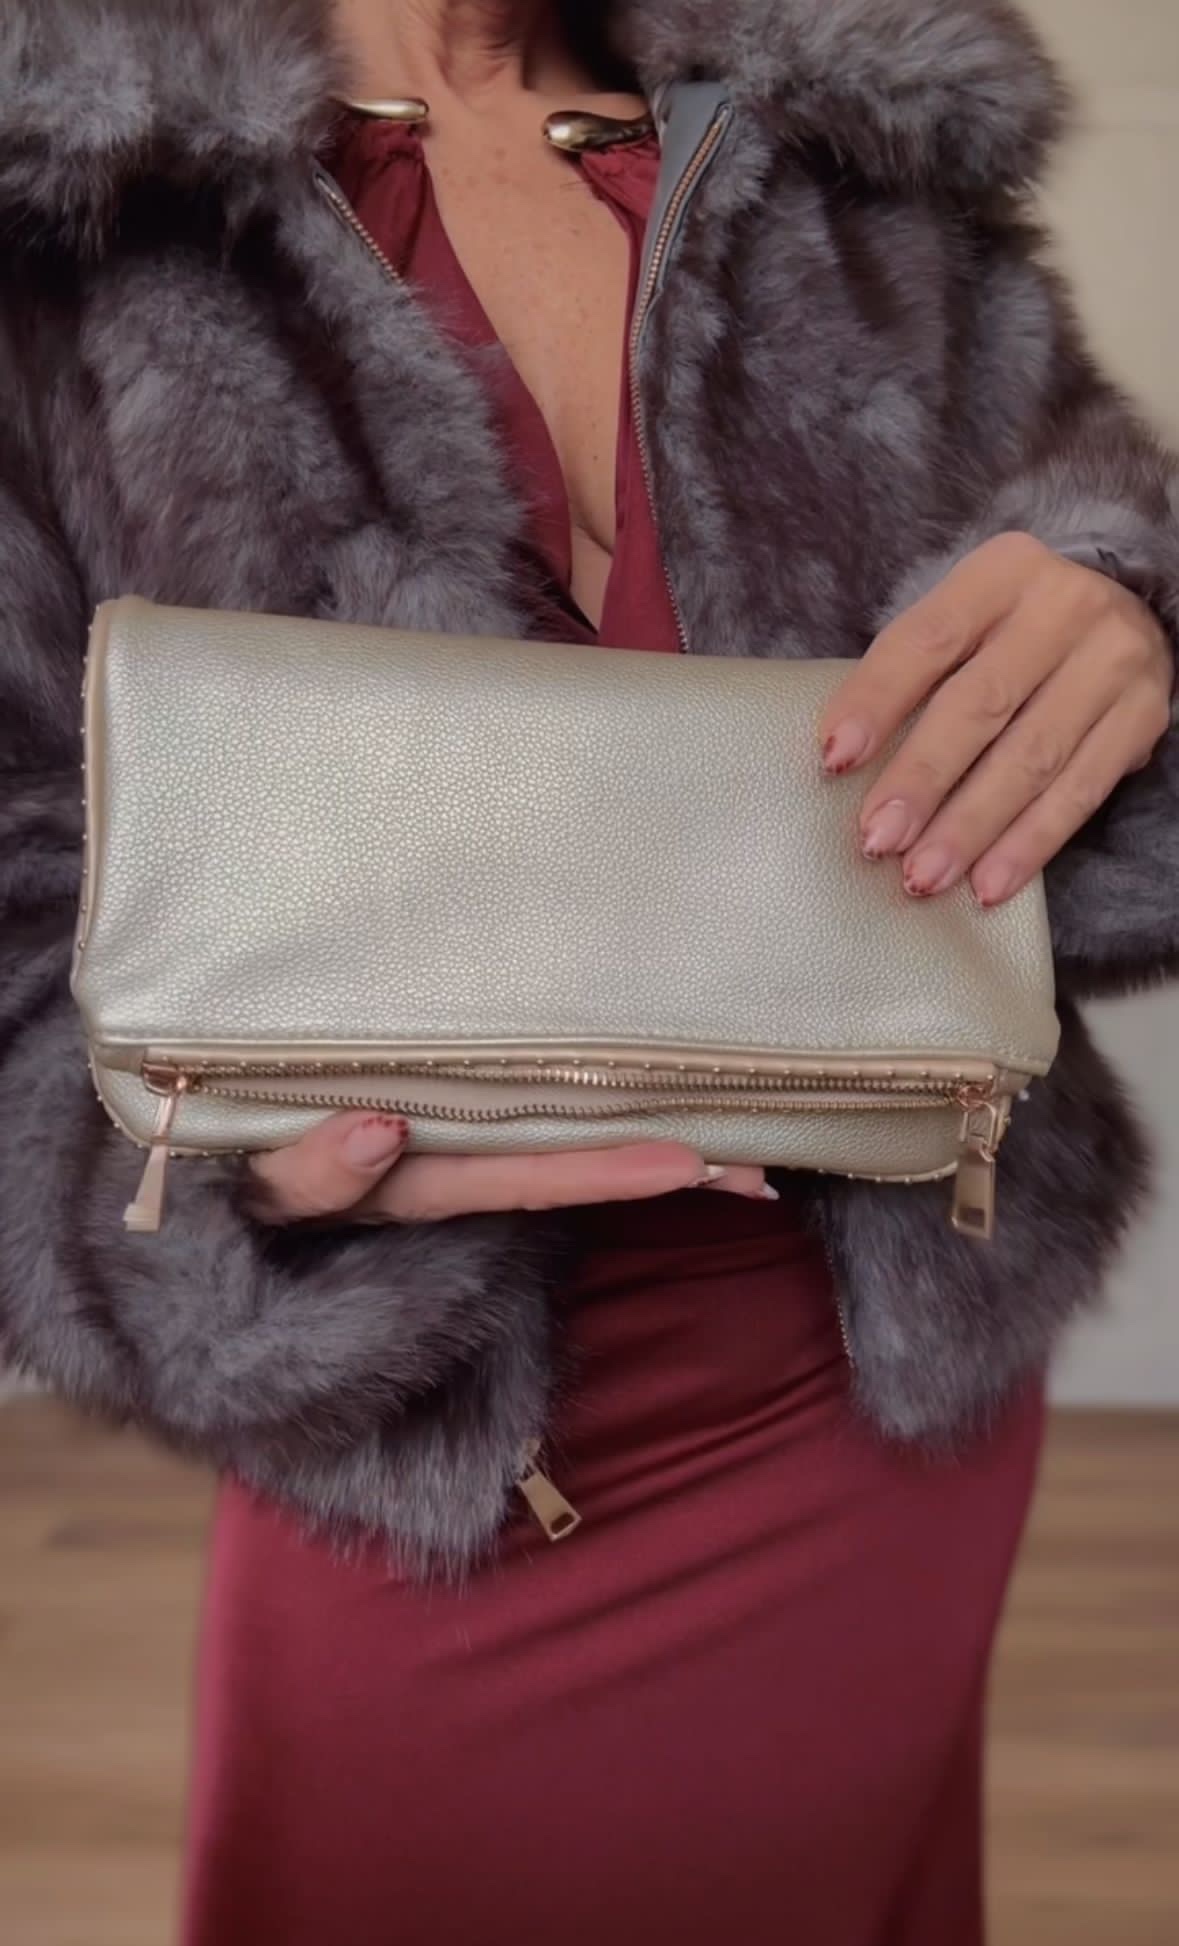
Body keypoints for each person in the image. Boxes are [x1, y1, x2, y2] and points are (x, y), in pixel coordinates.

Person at [1, 2, 1176, 1941]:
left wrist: (1130, 611)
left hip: (871, 1402)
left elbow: (1089, 858)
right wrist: (223, 1193)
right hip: (409, 1443)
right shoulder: (75, 206)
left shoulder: (846, 162)